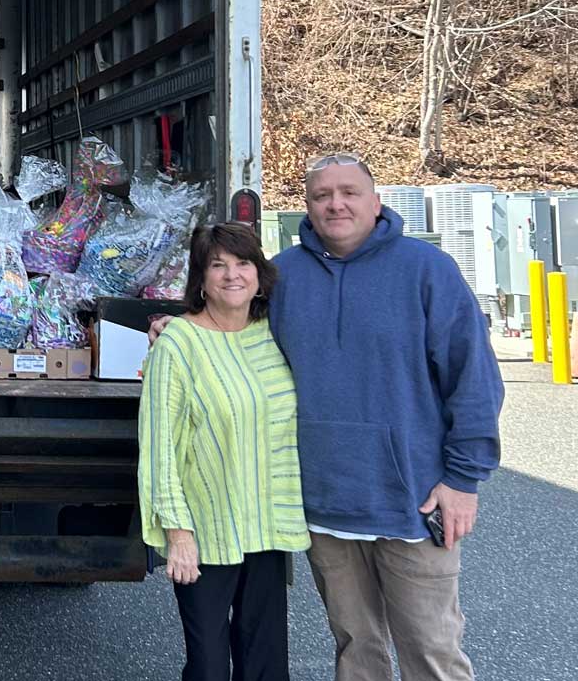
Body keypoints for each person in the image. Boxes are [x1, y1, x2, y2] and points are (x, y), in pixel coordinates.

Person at [156, 154, 504, 680]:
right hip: (323, 509)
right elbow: (232, 319)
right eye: (322, 196)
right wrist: (176, 327)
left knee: (431, 650)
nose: (336, 204)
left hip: (411, 501)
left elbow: (474, 378)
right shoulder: (286, 276)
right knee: (356, 648)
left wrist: (463, 478)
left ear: (376, 202)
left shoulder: (426, 270)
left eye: (349, 192)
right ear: (308, 208)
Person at [139, 222, 309, 681]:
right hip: (207, 531)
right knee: (209, 666)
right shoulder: (178, 344)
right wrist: (178, 534)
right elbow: (159, 449)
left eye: (243, 263)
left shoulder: (274, 332)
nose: (232, 275)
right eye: (218, 266)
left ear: (259, 273)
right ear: (201, 279)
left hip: (268, 527)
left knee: (266, 663)